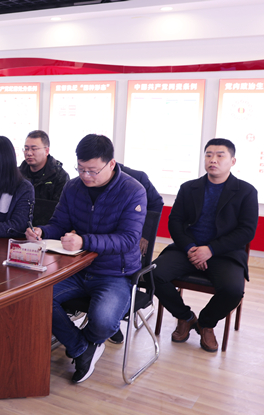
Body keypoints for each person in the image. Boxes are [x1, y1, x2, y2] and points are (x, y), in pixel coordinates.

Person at [26, 134, 146, 383]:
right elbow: (59, 224)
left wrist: (84, 241)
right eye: (80, 169)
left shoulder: (133, 191)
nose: (86, 176)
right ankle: (82, 348)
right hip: (76, 269)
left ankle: (90, 341)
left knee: (103, 322)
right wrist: (42, 232)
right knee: (33, 297)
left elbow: (128, 239)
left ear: (111, 164)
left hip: (115, 273)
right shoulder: (73, 187)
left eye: (93, 171)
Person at [152, 138, 258, 353]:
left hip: (224, 253)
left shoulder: (246, 191)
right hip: (187, 249)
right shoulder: (189, 188)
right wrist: (190, 248)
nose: (213, 160)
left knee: (233, 291)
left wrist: (210, 250)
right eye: (209, 155)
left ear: (232, 161)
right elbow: (175, 222)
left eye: (220, 155)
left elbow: (247, 231)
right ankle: (185, 317)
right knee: (152, 274)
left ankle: (206, 323)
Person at [108, 163, 164, 344]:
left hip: (131, 236)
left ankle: (113, 320)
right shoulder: (88, 178)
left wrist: (144, 234)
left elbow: (156, 204)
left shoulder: (137, 178)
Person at [19, 130, 69, 225]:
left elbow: (60, 211)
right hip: (19, 225)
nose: (29, 153)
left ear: (46, 151)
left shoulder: (59, 176)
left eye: (34, 149)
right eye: (26, 149)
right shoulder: (18, 174)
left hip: (47, 228)